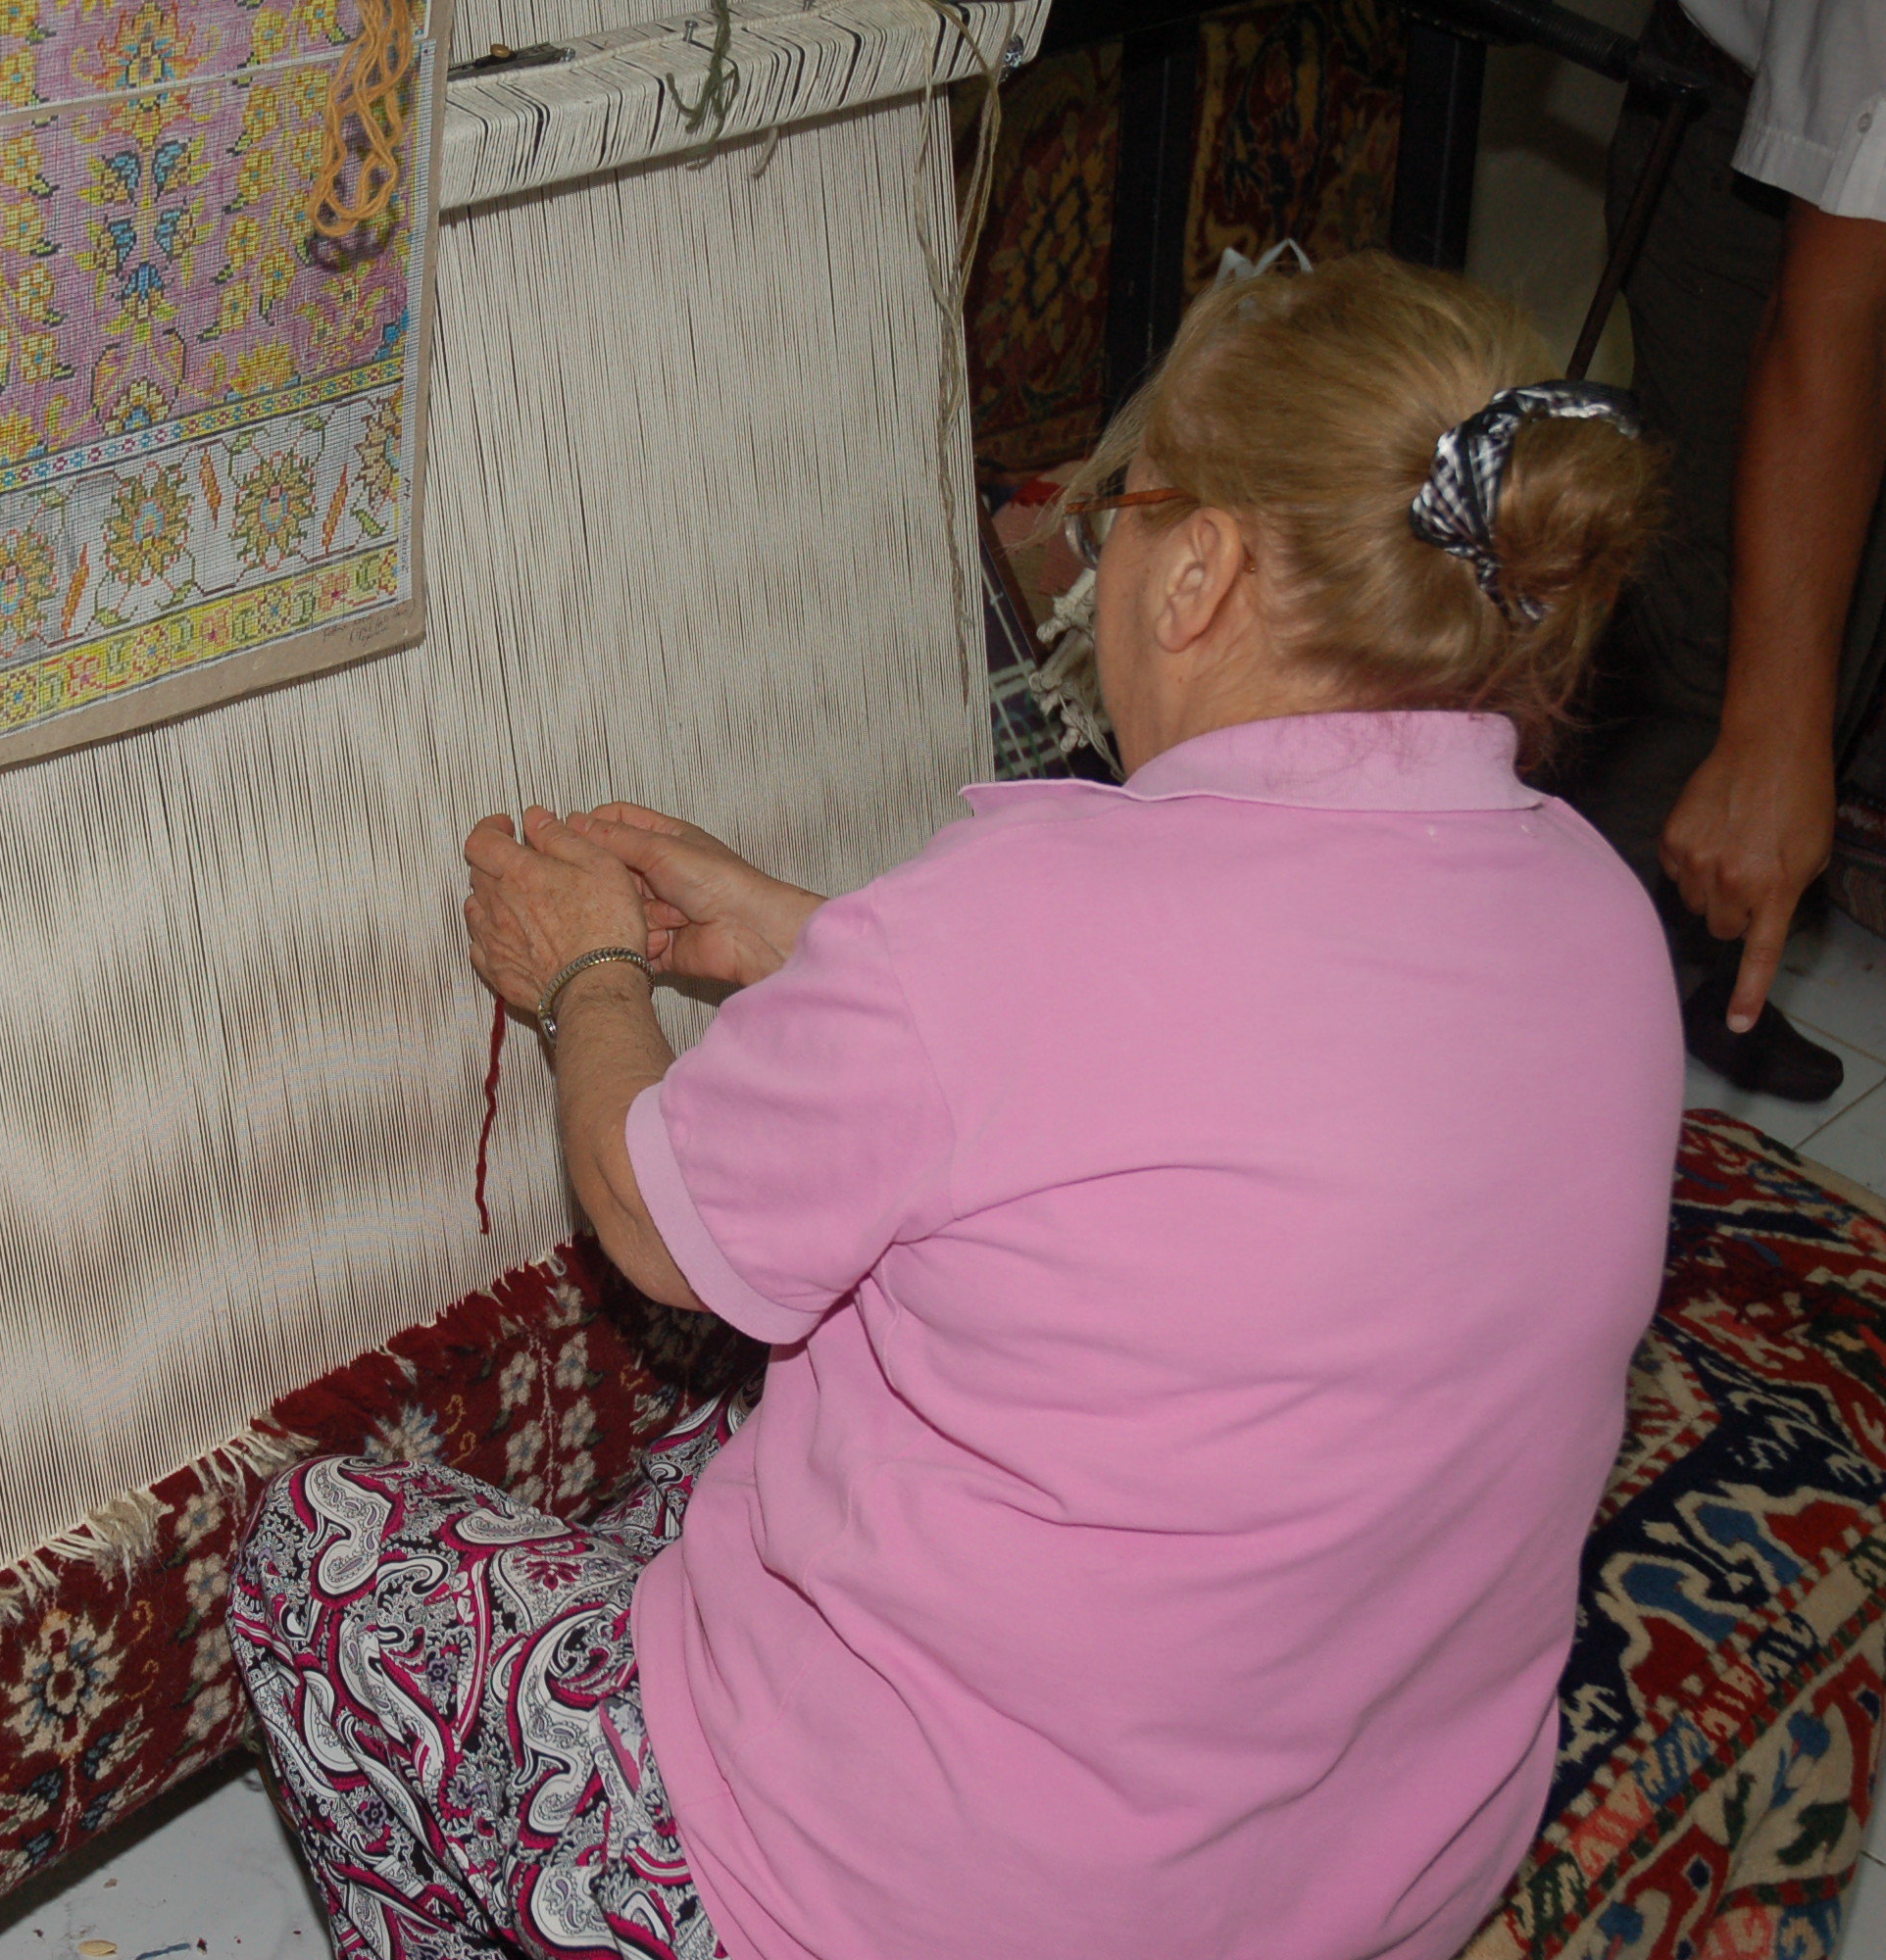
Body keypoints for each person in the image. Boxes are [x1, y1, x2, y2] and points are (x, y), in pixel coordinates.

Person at [225, 253, 1681, 1959]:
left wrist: (585, 977)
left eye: (1112, 515)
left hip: (925, 1908)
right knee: (757, 1425)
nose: (1088, 559)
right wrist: (813, 942)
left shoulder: (1015, 931)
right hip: (1359, 1883)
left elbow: (653, 1220)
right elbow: (1190, 1082)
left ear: (1199, 569)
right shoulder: (1595, 915)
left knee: (314, 1556)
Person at [1556, 0, 1886, 1101]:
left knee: (1848, 623)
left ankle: (1692, 967)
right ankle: (1531, 1041)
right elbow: (1822, 331)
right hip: (1760, 162)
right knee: (1717, 654)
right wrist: (1772, 740)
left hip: (1852, 178)